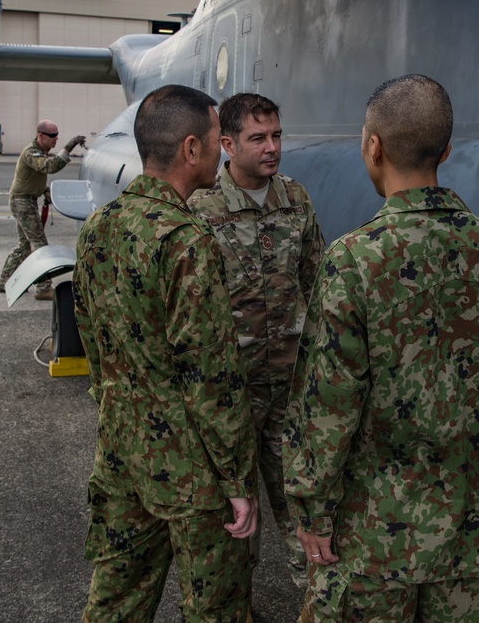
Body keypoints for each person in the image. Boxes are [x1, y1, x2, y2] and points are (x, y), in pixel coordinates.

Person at [282, 74, 479, 622]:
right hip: (468, 541)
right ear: (446, 150)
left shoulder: (354, 260)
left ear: (373, 146)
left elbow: (326, 408)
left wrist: (311, 512)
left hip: (372, 543)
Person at [72, 84, 259, 623]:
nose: (221, 152)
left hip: (121, 451)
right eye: (213, 140)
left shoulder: (100, 227)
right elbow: (211, 377)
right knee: (215, 607)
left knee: (117, 598)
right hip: (192, 470)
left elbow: (93, 342)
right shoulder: (185, 241)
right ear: (191, 150)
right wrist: (236, 482)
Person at [188, 92, 324, 588]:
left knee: (301, 508)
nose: (272, 148)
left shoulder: (295, 199)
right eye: (258, 138)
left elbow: (317, 282)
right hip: (232, 396)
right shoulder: (201, 210)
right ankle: (233, 605)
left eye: (277, 136)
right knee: (233, 517)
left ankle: (315, 605)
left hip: (289, 385)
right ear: (226, 144)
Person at [0, 119, 85, 300]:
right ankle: (43, 288)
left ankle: (5, 280)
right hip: (22, 203)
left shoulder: (39, 152)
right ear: (41, 136)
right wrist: (68, 148)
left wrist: (44, 191)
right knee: (40, 246)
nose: (56, 139)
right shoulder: (31, 153)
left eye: (57, 135)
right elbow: (49, 167)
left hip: (26, 200)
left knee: (24, 245)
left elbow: (34, 177)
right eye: (52, 136)